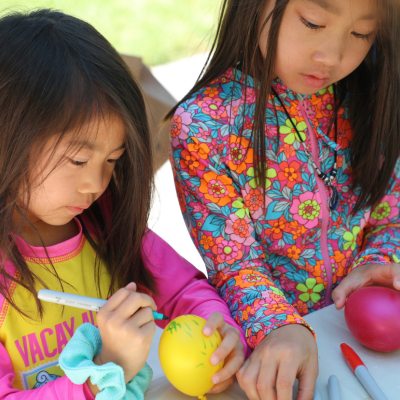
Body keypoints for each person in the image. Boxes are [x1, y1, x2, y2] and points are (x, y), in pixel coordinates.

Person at [0, 9, 249, 399]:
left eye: (112, 161)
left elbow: (185, 290)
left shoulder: (108, 225)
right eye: (78, 160)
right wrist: (104, 369)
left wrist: (217, 326)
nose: (97, 184)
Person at [166, 0, 400, 399]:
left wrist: (382, 258)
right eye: (312, 22)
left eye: (362, 33)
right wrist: (279, 326)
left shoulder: (373, 92)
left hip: (360, 344)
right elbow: (235, 265)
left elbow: (389, 207)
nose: (332, 57)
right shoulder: (204, 125)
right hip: (277, 358)